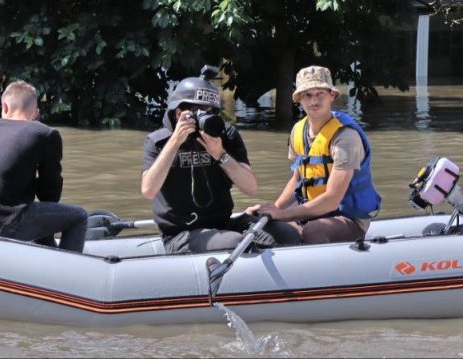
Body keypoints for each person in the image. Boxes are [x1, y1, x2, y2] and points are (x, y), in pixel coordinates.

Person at [142, 70, 290, 253]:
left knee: (287, 234)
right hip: (181, 234)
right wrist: (175, 142)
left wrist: (220, 154)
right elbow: (148, 190)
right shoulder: (158, 141)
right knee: (236, 242)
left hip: (223, 223)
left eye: (208, 110)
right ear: (179, 111)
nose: (204, 115)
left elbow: (250, 188)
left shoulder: (226, 135)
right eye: (196, 110)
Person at [248, 65, 381, 244]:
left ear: (332, 95)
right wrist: (274, 210)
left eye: (320, 94)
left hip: (347, 217)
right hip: (310, 212)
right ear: (299, 99)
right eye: (307, 95)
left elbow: (332, 200)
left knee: (313, 230)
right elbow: (297, 178)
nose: (314, 101)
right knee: (270, 227)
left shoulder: (346, 138)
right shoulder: (298, 130)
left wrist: (283, 215)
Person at [0, 81, 87, 253]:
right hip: (2, 221)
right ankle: (67, 272)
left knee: (37, 209)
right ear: (35, 113)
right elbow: (50, 190)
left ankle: (45, 253)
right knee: (79, 217)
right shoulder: (44, 133)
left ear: (5, 107)